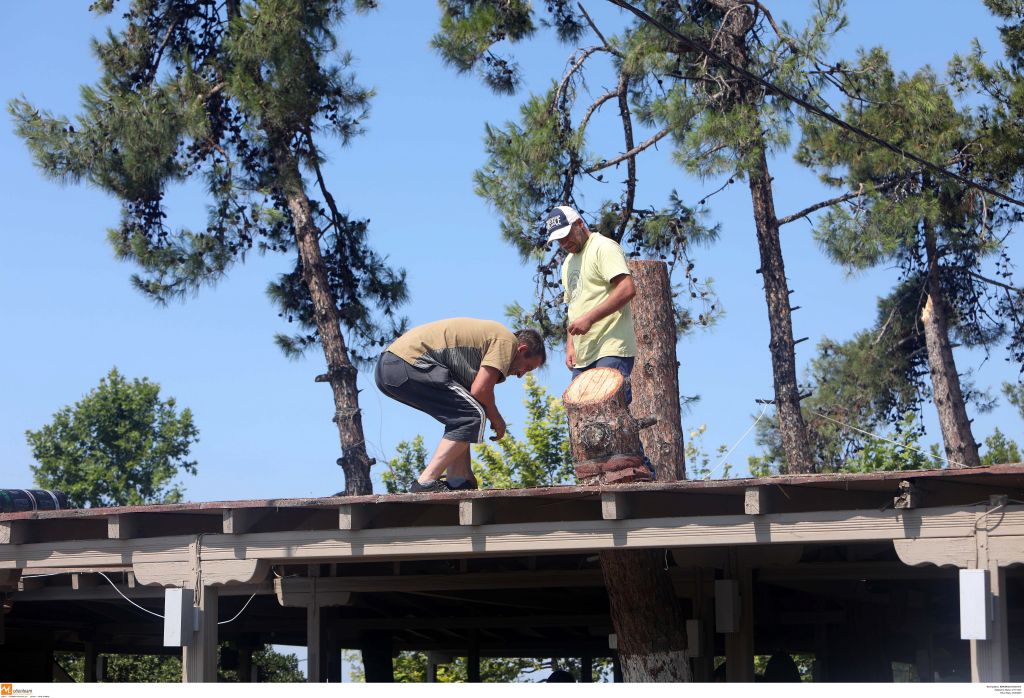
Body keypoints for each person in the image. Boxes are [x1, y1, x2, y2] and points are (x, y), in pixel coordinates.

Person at [375, 318, 546, 493]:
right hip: (404, 363)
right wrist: (497, 419)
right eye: (527, 367)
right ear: (522, 349)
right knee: (472, 414)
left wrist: (466, 478)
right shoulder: (506, 341)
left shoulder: (480, 353)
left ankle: (458, 478)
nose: (520, 375)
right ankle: (425, 482)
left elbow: (471, 402)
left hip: (389, 368)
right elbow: (480, 390)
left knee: (464, 414)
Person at [543, 205, 652, 477]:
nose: (565, 242)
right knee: (582, 416)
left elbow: (627, 289)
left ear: (580, 223)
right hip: (584, 351)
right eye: (558, 240)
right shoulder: (568, 263)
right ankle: (597, 474)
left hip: (611, 343)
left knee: (610, 411)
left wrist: (591, 318)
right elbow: (574, 309)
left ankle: (636, 469)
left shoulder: (603, 247)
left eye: (567, 234)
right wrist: (570, 344)